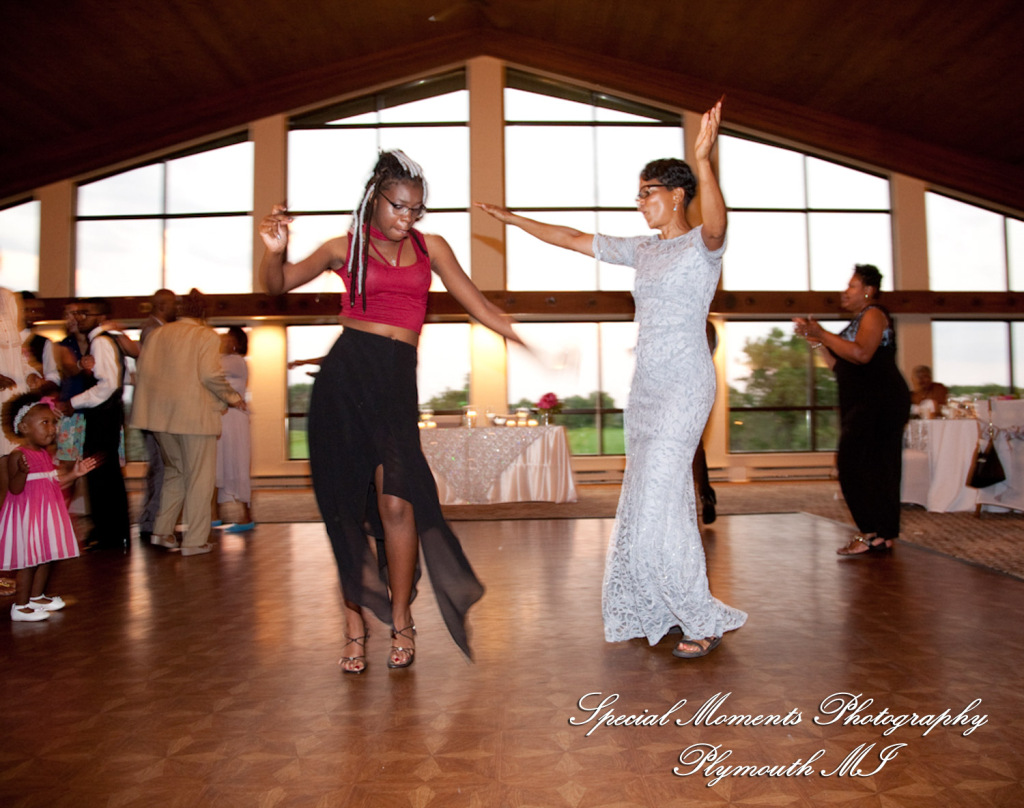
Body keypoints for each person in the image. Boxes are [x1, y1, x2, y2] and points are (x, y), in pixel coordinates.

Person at [478, 98, 747, 659]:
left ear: (676, 194)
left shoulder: (702, 246)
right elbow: (575, 239)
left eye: (647, 192)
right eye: (639, 194)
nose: (640, 203)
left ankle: (700, 616)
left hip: (685, 385)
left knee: (655, 501)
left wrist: (705, 158)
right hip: (646, 389)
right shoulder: (643, 251)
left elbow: (719, 222)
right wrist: (513, 220)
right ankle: (663, 604)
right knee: (662, 501)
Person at [260, 149, 521, 673]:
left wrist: (520, 336)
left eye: (416, 210)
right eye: (398, 207)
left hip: (396, 384)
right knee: (348, 511)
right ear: (374, 199)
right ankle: (354, 624)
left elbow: (477, 301)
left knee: (399, 505)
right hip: (345, 381)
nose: (407, 218)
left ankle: (402, 619)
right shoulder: (344, 247)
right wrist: (274, 252)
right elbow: (277, 285)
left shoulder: (433, 248)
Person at [794, 264, 911, 556]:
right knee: (875, 468)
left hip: (879, 401)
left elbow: (861, 354)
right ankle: (881, 535)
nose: (844, 292)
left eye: (851, 286)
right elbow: (840, 365)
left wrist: (822, 332)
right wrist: (818, 341)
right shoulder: (859, 319)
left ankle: (871, 531)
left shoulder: (874, 314)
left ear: (868, 290)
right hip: (866, 401)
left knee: (854, 466)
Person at [130, 289, 246, 556]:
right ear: (203, 313)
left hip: (160, 419)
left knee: (175, 473)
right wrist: (232, 397)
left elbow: (144, 373)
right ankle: (194, 540)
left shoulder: (159, 334)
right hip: (195, 418)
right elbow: (209, 375)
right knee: (200, 479)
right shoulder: (204, 335)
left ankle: (162, 531)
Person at [0, 392, 96, 621]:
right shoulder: (18, 456)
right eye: (45, 423)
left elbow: (53, 481)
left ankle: (36, 597)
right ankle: (20, 606)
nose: (52, 428)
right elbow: (14, 489)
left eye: (54, 423)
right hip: (27, 517)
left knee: (45, 558)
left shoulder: (44, 455)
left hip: (44, 515)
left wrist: (74, 473)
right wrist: (21, 473)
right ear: (23, 427)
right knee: (28, 562)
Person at [61, 298, 131, 551]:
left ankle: (111, 536)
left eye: (85, 313)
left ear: (100, 317)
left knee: (103, 476)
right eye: (77, 313)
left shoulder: (101, 341)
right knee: (104, 476)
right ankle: (112, 535)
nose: (79, 318)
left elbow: (108, 384)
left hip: (103, 415)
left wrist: (74, 402)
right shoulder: (101, 340)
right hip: (106, 415)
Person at [136, 288, 178, 543]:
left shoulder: (158, 328)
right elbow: (157, 372)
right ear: (163, 305)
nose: (177, 310)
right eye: (174, 305)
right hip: (154, 412)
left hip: (158, 411)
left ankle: (154, 522)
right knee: (160, 468)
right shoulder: (152, 330)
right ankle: (150, 523)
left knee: (162, 467)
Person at [216, 326, 254, 532]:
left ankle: (246, 516)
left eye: (226, 339)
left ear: (235, 343)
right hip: (223, 417)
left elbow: (210, 371)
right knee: (219, 464)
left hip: (234, 418)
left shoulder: (236, 361)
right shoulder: (225, 361)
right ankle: (217, 515)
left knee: (236, 463)